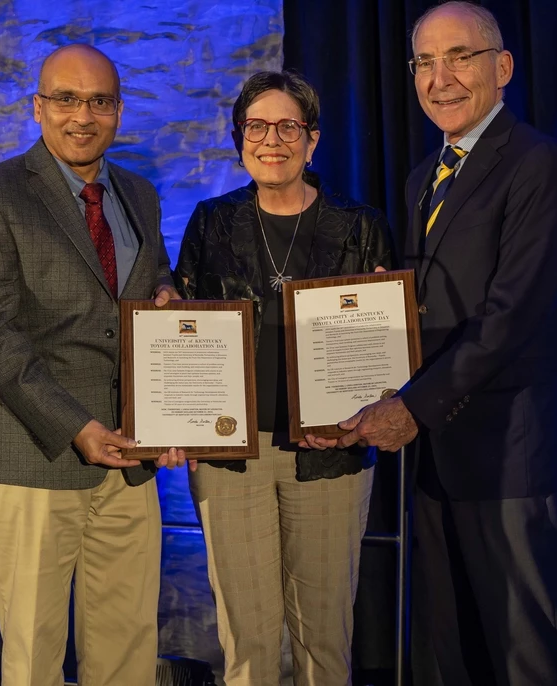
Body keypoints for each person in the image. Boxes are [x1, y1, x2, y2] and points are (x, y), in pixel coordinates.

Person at [304, 3, 557, 684]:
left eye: (458, 56)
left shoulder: (538, 165)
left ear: (503, 67)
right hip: (441, 457)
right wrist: (384, 307)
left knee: (528, 651)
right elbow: (438, 300)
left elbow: (510, 317)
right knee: (448, 651)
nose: (441, 78)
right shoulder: (422, 178)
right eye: (424, 62)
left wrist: (410, 408)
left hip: (511, 459)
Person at [0, 44, 188, 686]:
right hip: (36, 452)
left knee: (128, 653)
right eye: (66, 99)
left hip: (131, 459)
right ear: (38, 107)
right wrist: (77, 424)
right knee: (34, 658)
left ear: (117, 111)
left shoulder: (139, 194)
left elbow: (153, 284)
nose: (82, 115)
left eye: (99, 101)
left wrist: (168, 306)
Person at [173, 70, 393, 686]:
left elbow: (384, 343)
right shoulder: (210, 222)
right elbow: (183, 326)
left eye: (288, 126)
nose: (273, 139)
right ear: (239, 139)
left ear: (312, 139)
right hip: (229, 455)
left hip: (331, 451)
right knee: (248, 640)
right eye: (257, 126)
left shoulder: (359, 224)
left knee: (326, 639)